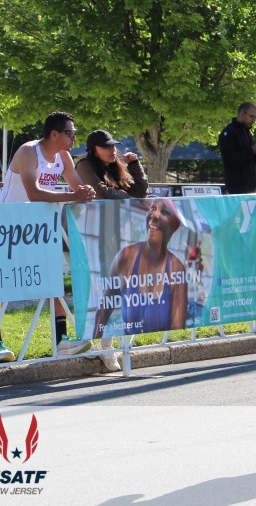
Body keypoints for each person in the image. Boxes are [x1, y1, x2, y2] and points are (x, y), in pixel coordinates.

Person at [0, 112, 96, 363]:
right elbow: (34, 193)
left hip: (38, 230)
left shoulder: (64, 157)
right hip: (6, 228)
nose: (74, 138)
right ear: (54, 134)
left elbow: (78, 188)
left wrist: (87, 191)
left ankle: (61, 340)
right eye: (70, 133)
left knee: (53, 279)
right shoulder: (28, 152)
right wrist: (74, 196)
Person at [75, 129, 149, 370]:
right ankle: (100, 344)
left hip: (118, 234)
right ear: (93, 150)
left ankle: (106, 342)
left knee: (117, 288)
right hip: (93, 235)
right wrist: (128, 198)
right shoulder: (84, 165)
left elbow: (140, 192)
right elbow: (102, 192)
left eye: (113, 146)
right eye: (106, 147)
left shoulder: (117, 166)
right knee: (103, 289)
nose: (112, 150)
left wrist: (135, 165)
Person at [93, 198, 189, 336]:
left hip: (161, 346)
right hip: (129, 346)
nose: (154, 215)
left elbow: (177, 332)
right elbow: (102, 312)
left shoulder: (176, 268)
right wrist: (95, 345)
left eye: (164, 212)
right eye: (152, 208)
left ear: (173, 225)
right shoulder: (126, 257)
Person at [218, 102, 256, 194]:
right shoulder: (229, 132)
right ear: (242, 114)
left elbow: (248, 160)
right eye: (252, 116)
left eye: (255, 117)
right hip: (236, 186)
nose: (254, 120)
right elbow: (229, 159)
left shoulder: (247, 133)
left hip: (250, 185)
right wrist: (252, 150)